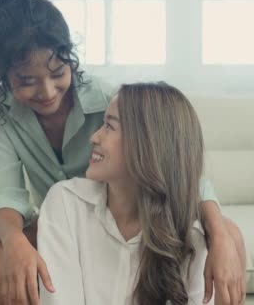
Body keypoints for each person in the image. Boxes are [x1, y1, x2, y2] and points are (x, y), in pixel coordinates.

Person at [0, 0, 246, 305]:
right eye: (27, 82)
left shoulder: (110, 100)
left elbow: (172, 164)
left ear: (70, 59)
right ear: (4, 78)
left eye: (58, 72)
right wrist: (15, 239)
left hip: (126, 212)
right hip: (59, 218)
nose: (47, 92)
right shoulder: (0, 108)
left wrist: (221, 237)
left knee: (227, 234)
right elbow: (4, 189)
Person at [38, 82, 210, 305]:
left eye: (109, 126)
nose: (94, 137)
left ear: (148, 143)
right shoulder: (65, 203)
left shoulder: (192, 235)